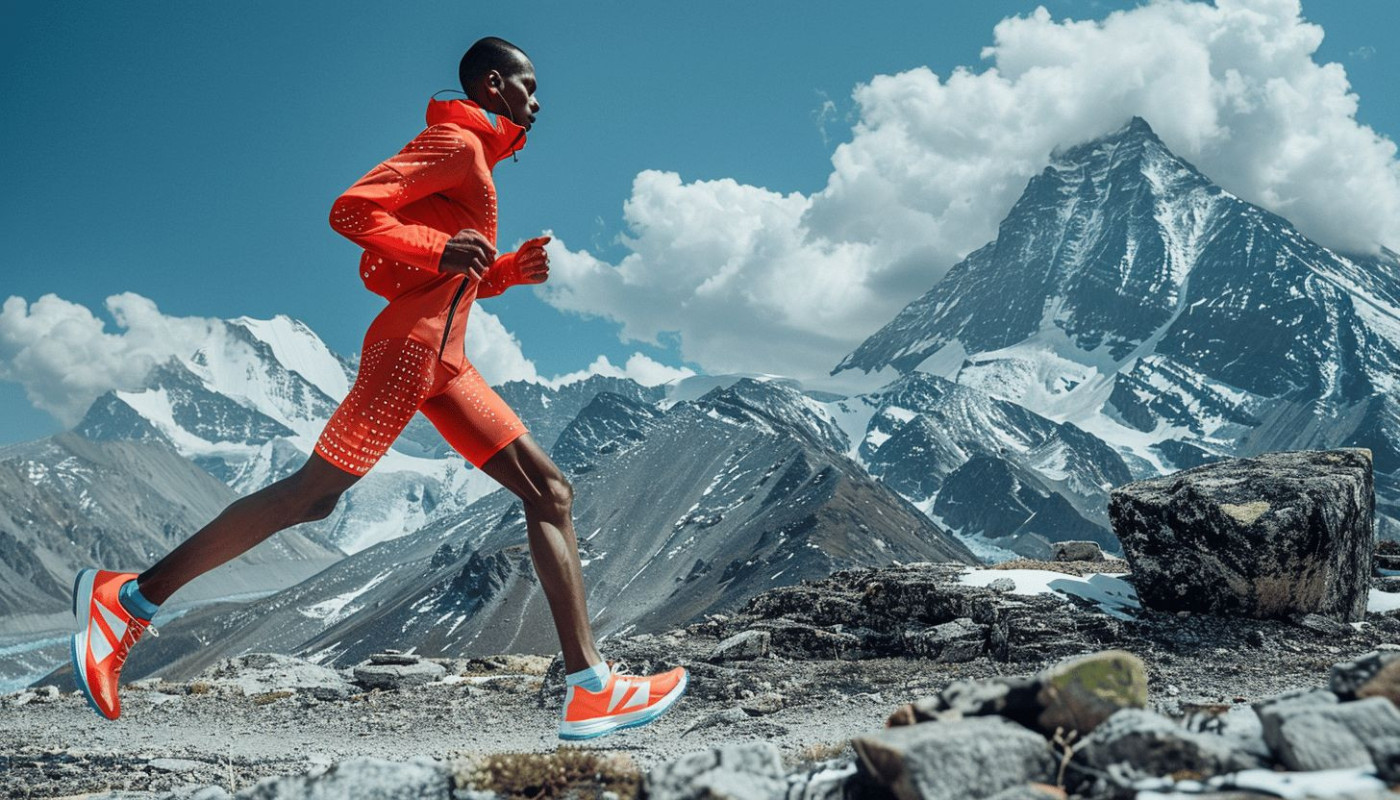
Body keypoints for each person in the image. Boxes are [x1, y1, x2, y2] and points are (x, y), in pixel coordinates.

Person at [69, 35, 688, 740]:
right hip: (408, 353)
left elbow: (448, 279)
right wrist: (441, 248)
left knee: (549, 492)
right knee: (312, 496)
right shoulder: (453, 143)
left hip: (446, 362)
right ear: (493, 84)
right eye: (529, 85)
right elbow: (352, 209)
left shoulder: (477, 158)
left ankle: (590, 688)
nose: (538, 101)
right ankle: (129, 599)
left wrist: (506, 271)